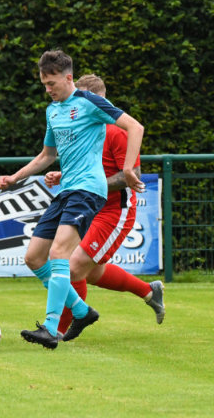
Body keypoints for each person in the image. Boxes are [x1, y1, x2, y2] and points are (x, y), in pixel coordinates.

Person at [0, 50, 145, 350]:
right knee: (34, 257)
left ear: (68, 78)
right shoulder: (52, 111)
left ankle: (51, 328)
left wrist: (128, 168)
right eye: (44, 84)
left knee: (59, 253)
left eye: (51, 83)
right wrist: (16, 177)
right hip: (66, 191)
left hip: (89, 190)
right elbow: (47, 155)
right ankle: (81, 310)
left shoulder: (89, 102)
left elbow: (135, 127)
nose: (47, 89)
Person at [42, 74, 165, 336]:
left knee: (74, 266)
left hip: (114, 211)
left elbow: (132, 175)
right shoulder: (87, 129)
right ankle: (148, 291)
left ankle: (58, 332)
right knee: (92, 272)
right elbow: (89, 168)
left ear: (97, 99)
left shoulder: (118, 131)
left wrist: (90, 185)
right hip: (89, 207)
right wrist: (63, 176)